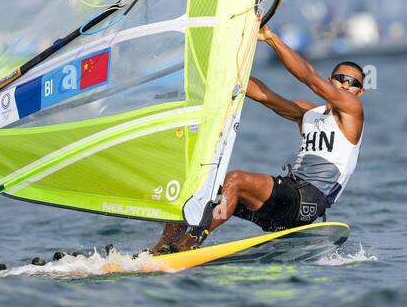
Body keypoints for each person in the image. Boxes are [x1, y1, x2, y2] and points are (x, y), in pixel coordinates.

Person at [149, 24, 365, 255]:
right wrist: (225, 70)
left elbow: (309, 78)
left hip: (308, 202)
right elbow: (264, 95)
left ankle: (187, 245)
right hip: (283, 205)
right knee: (201, 187)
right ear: (330, 79)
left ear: (360, 92)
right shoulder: (308, 114)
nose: (345, 84)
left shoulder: (353, 111)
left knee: (236, 180)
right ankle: (158, 251)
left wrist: (271, 38)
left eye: (353, 83)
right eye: (340, 78)